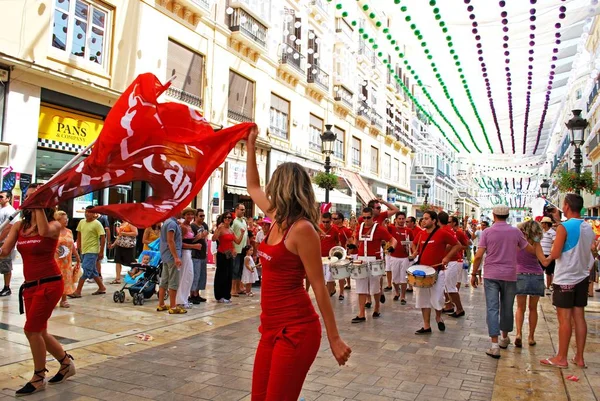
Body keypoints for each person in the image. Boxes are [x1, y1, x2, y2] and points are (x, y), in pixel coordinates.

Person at [246, 127, 351, 400]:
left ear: (281, 187)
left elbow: (318, 285)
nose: (267, 189)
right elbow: (252, 187)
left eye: (273, 184)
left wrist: (334, 338)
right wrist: (249, 146)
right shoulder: (275, 217)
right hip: (270, 327)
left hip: (296, 329)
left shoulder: (302, 229)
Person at [0, 184, 75, 396]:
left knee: (31, 329)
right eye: (29, 196)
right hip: (30, 286)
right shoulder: (20, 226)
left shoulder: (53, 225)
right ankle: (66, 363)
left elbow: (43, 231)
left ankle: (39, 376)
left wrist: (38, 206)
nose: (30, 199)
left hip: (50, 283)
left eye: (37, 197)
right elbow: (5, 251)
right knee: (39, 330)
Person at [539, 194, 594, 369]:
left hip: (566, 277)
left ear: (567, 206)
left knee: (564, 319)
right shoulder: (588, 227)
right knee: (579, 317)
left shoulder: (564, 227)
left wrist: (543, 256)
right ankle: (579, 357)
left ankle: (561, 357)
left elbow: (555, 254)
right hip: (582, 276)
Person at [471, 205, 528, 359]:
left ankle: (494, 345)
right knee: (507, 306)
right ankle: (504, 337)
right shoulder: (515, 231)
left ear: (493, 215)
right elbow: (526, 248)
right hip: (510, 274)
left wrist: (474, 273)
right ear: (508, 216)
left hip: (491, 274)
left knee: (492, 308)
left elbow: (478, 255)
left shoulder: (487, 232)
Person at [411, 211, 461, 335]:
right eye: (423, 218)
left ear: (434, 221)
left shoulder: (442, 233)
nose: (423, 221)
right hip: (422, 272)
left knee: (438, 298)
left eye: (426, 219)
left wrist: (447, 257)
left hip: (437, 271)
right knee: (423, 299)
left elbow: (457, 245)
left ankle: (438, 317)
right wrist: (415, 252)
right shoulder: (421, 234)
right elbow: (413, 243)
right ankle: (426, 326)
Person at [352, 207, 397, 323]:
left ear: (373, 217)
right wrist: (353, 245)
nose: (366, 220)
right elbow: (356, 240)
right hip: (361, 260)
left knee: (375, 288)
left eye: (368, 217)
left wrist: (391, 247)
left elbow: (393, 240)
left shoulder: (380, 229)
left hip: (375, 261)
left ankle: (377, 307)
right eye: (364, 217)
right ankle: (361, 313)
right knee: (361, 288)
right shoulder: (359, 228)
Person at [514, 220, 545, 348]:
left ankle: (518, 334)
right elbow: (542, 259)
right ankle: (531, 337)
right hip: (536, 275)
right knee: (533, 308)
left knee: (520, 308)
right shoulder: (536, 243)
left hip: (520, 274)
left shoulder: (518, 242)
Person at [69, 206, 106, 298]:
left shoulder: (97, 224)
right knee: (93, 271)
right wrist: (79, 246)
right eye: (86, 211)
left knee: (85, 269)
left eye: (89, 212)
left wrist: (101, 251)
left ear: (94, 214)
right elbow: (79, 234)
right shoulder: (82, 222)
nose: (87, 213)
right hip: (84, 250)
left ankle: (78, 291)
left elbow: (102, 237)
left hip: (92, 251)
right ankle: (102, 287)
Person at [441, 213, 470, 318]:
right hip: (449, 261)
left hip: (454, 260)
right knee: (445, 286)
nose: (448, 223)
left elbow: (466, 245)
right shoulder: (447, 230)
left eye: (449, 222)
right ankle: (449, 305)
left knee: (451, 286)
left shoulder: (455, 232)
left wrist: (452, 249)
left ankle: (459, 308)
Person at [212, 212, 245, 303]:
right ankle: (219, 296)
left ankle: (227, 295)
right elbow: (214, 239)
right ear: (223, 219)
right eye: (226, 217)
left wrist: (242, 233)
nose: (227, 219)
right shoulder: (220, 228)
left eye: (229, 218)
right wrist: (218, 229)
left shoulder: (230, 230)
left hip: (229, 255)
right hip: (222, 254)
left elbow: (237, 241)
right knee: (221, 275)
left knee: (228, 275)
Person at [156, 213, 186, 314]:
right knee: (173, 280)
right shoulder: (172, 224)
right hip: (171, 256)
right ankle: (173, 306)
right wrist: (176, 257)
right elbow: (170, 240)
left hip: (165, 256)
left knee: (164, 280)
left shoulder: (167, 222)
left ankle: (161, 304)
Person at [54, 211, 81, 308]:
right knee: (56, 280)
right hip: (56, 260)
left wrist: (77, 256)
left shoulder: (69, 231)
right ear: (58, 220)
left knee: (66, 279)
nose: (67, 221)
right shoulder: (53, 231)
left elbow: (72, 245)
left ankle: (64, 299)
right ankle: (53, 299)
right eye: (64, 219)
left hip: (67, 261)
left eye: (67, 219)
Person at [387, 211, 413, 304]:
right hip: (394, 257)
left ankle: (403, 296)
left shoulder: (408, 231)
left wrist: (412, 254)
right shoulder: (391, 228)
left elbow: (413, 243)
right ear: (396, 220)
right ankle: (397, 293)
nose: (401, 220)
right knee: (395, 278)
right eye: (399, 219)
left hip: (405, 257)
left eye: (403, 219)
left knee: (404, 278)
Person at [177, 208, 201, 309]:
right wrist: (194, 246)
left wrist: (198, 238)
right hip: (184, 253)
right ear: (184, 215)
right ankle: (180, 300)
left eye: (192, 215)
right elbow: (180, 243)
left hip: (189, 253)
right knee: (184, 276)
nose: (190, 216)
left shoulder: (189, 227)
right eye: (188, 215)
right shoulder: (182, 227)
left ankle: (184, 298)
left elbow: (190, 240)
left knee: (189, 276)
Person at [109, 220, 138, 285]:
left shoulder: (131, 223)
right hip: (120, 245)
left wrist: (124, 233)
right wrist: (114, 244)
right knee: (118, 261)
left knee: (131, 261)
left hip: (129, 246)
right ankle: (117, 278)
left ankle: (135, 273)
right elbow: (119, 236)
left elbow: (135, 233)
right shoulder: (122, 224)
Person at [319, 212, 340, 298]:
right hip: (320, 257)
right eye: (323, 221)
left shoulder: (335, 230)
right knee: (321, 278)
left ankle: (326, 296)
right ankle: (330, 290)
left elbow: (338, 242)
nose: (325, 224)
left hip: (330, 258)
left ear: (331, 221)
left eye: (327, 222)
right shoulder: (318, 228)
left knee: (329, 278)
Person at [190, 209, 209, 304]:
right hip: (195, 255)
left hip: (202, 254)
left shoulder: (204, 225)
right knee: (195, 275)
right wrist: (200, 236)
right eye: (200, 216)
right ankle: (192, 294)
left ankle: (197, 293)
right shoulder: (192, 226)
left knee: (202, 275)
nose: (202, 218)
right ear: (196, 216)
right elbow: (190, 240)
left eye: (203, 216)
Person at [0, 190, 16, 296]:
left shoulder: (10, 210)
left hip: (5, 242)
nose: (0, 198)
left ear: (8, 198)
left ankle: (7, 287)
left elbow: (8, 227)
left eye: (1, 197)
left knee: (5, 264)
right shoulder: (1, 209)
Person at [333, 211, 353, 291]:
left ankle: (347, 285)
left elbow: (351, 242)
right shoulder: (332, 228)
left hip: (342, 253)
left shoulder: (346, 230)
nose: (332, 220)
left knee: (344, 270)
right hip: (332, 253)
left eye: (335, 218)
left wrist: (348, 253)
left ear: (340, 220)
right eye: (332, 218)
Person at [232, 204, 248, 297]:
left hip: (243, 248)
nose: (243, 211)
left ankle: (238, 287)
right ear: (236, 210)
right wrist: (233, 248)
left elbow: (245, 234)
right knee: (235, 269)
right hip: (236, 249)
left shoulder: (243, 221)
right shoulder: (234, 222)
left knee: (240, 269)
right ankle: (232, 289)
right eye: (241, 209)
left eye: (244, 210)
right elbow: (231, 235)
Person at [540, 216, 556, 295]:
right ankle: (541, 285)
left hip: (549, 255)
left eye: (542, 223)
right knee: (540, 270)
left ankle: (548, 287)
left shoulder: (553, 232)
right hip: (541, 254)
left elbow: (554, 242)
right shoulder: (541, 232)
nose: (541, 224)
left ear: (546, 224)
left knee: (549, 272)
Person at [95, 214, 110, 279]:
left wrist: (109, 241)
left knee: (97, 259)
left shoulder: (103, 218)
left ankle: (98, 275)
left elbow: (107, 230)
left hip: (100, 241)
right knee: (95, 260)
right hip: (93, 241)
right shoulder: (91, 220)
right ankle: (97, 275)